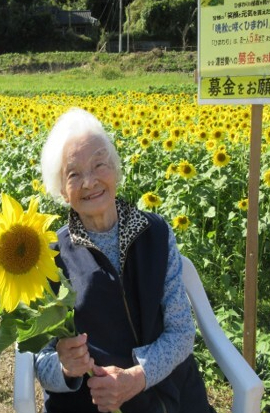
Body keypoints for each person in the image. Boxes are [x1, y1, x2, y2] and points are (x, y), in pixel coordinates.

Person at [35, 108, 213, 413]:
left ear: (115, 170)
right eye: (73, 174)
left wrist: (137, 378)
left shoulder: (155, 233)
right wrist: (66, 367)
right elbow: (41, 362)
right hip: (91, 405)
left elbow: (182, 332)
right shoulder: (50, 256)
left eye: (99, 165)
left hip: (169, 397)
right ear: (62, 191)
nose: (89, 182)